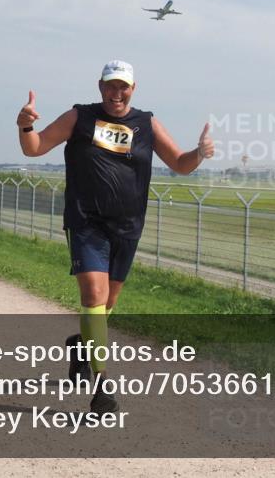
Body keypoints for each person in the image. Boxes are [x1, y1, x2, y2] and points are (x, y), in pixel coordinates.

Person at [16, 60, 214, 413]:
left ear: (133, 89)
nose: (116, 93)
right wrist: (25, 125)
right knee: (93, 295)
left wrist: (199, 153)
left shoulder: (146, 123)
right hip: (86, 222)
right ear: (99, 86)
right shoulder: (80, 117)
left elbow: (180, 164)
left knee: (105, 307)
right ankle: (102, 386)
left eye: (123, 86)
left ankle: (81, 345)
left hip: (127, 226)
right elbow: (34, 148)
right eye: (110, 86)